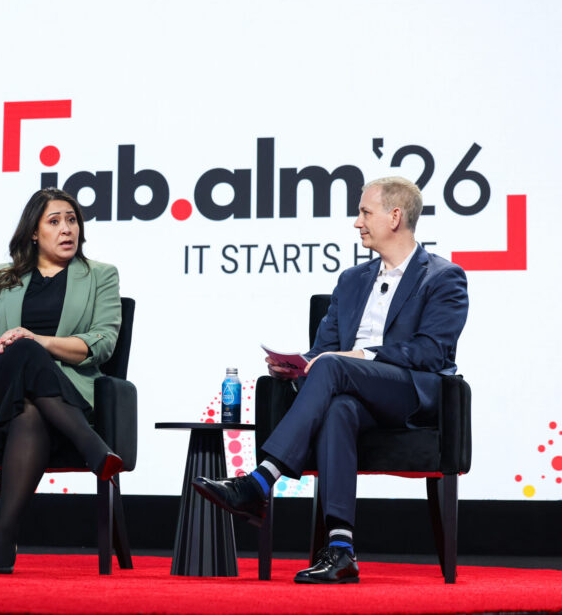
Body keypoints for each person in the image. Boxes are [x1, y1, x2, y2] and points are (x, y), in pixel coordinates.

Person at [193, 176, 468, 584]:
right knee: (339, 408)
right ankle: (340, 551)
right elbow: (322, 349)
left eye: (364, 212)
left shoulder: (443, 278)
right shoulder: (352, 280)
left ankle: (259, 481)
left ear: (395, 217)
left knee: (333, 368)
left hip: (411, 393)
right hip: (350, 390)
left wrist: (356, 356)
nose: (356, 223)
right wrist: (295, 364)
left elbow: (431, 351)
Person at [0, 187, 124, 574]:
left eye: (72, 220)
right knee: (23, 351)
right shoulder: (3, 277)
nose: (67, 229)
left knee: (30, 406)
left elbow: (103, 343)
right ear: (34, 232)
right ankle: (92, 446)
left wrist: (39, 341)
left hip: (63, 390)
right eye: (54, 221)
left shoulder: (100, 275)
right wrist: (5, 345)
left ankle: (2, 540)